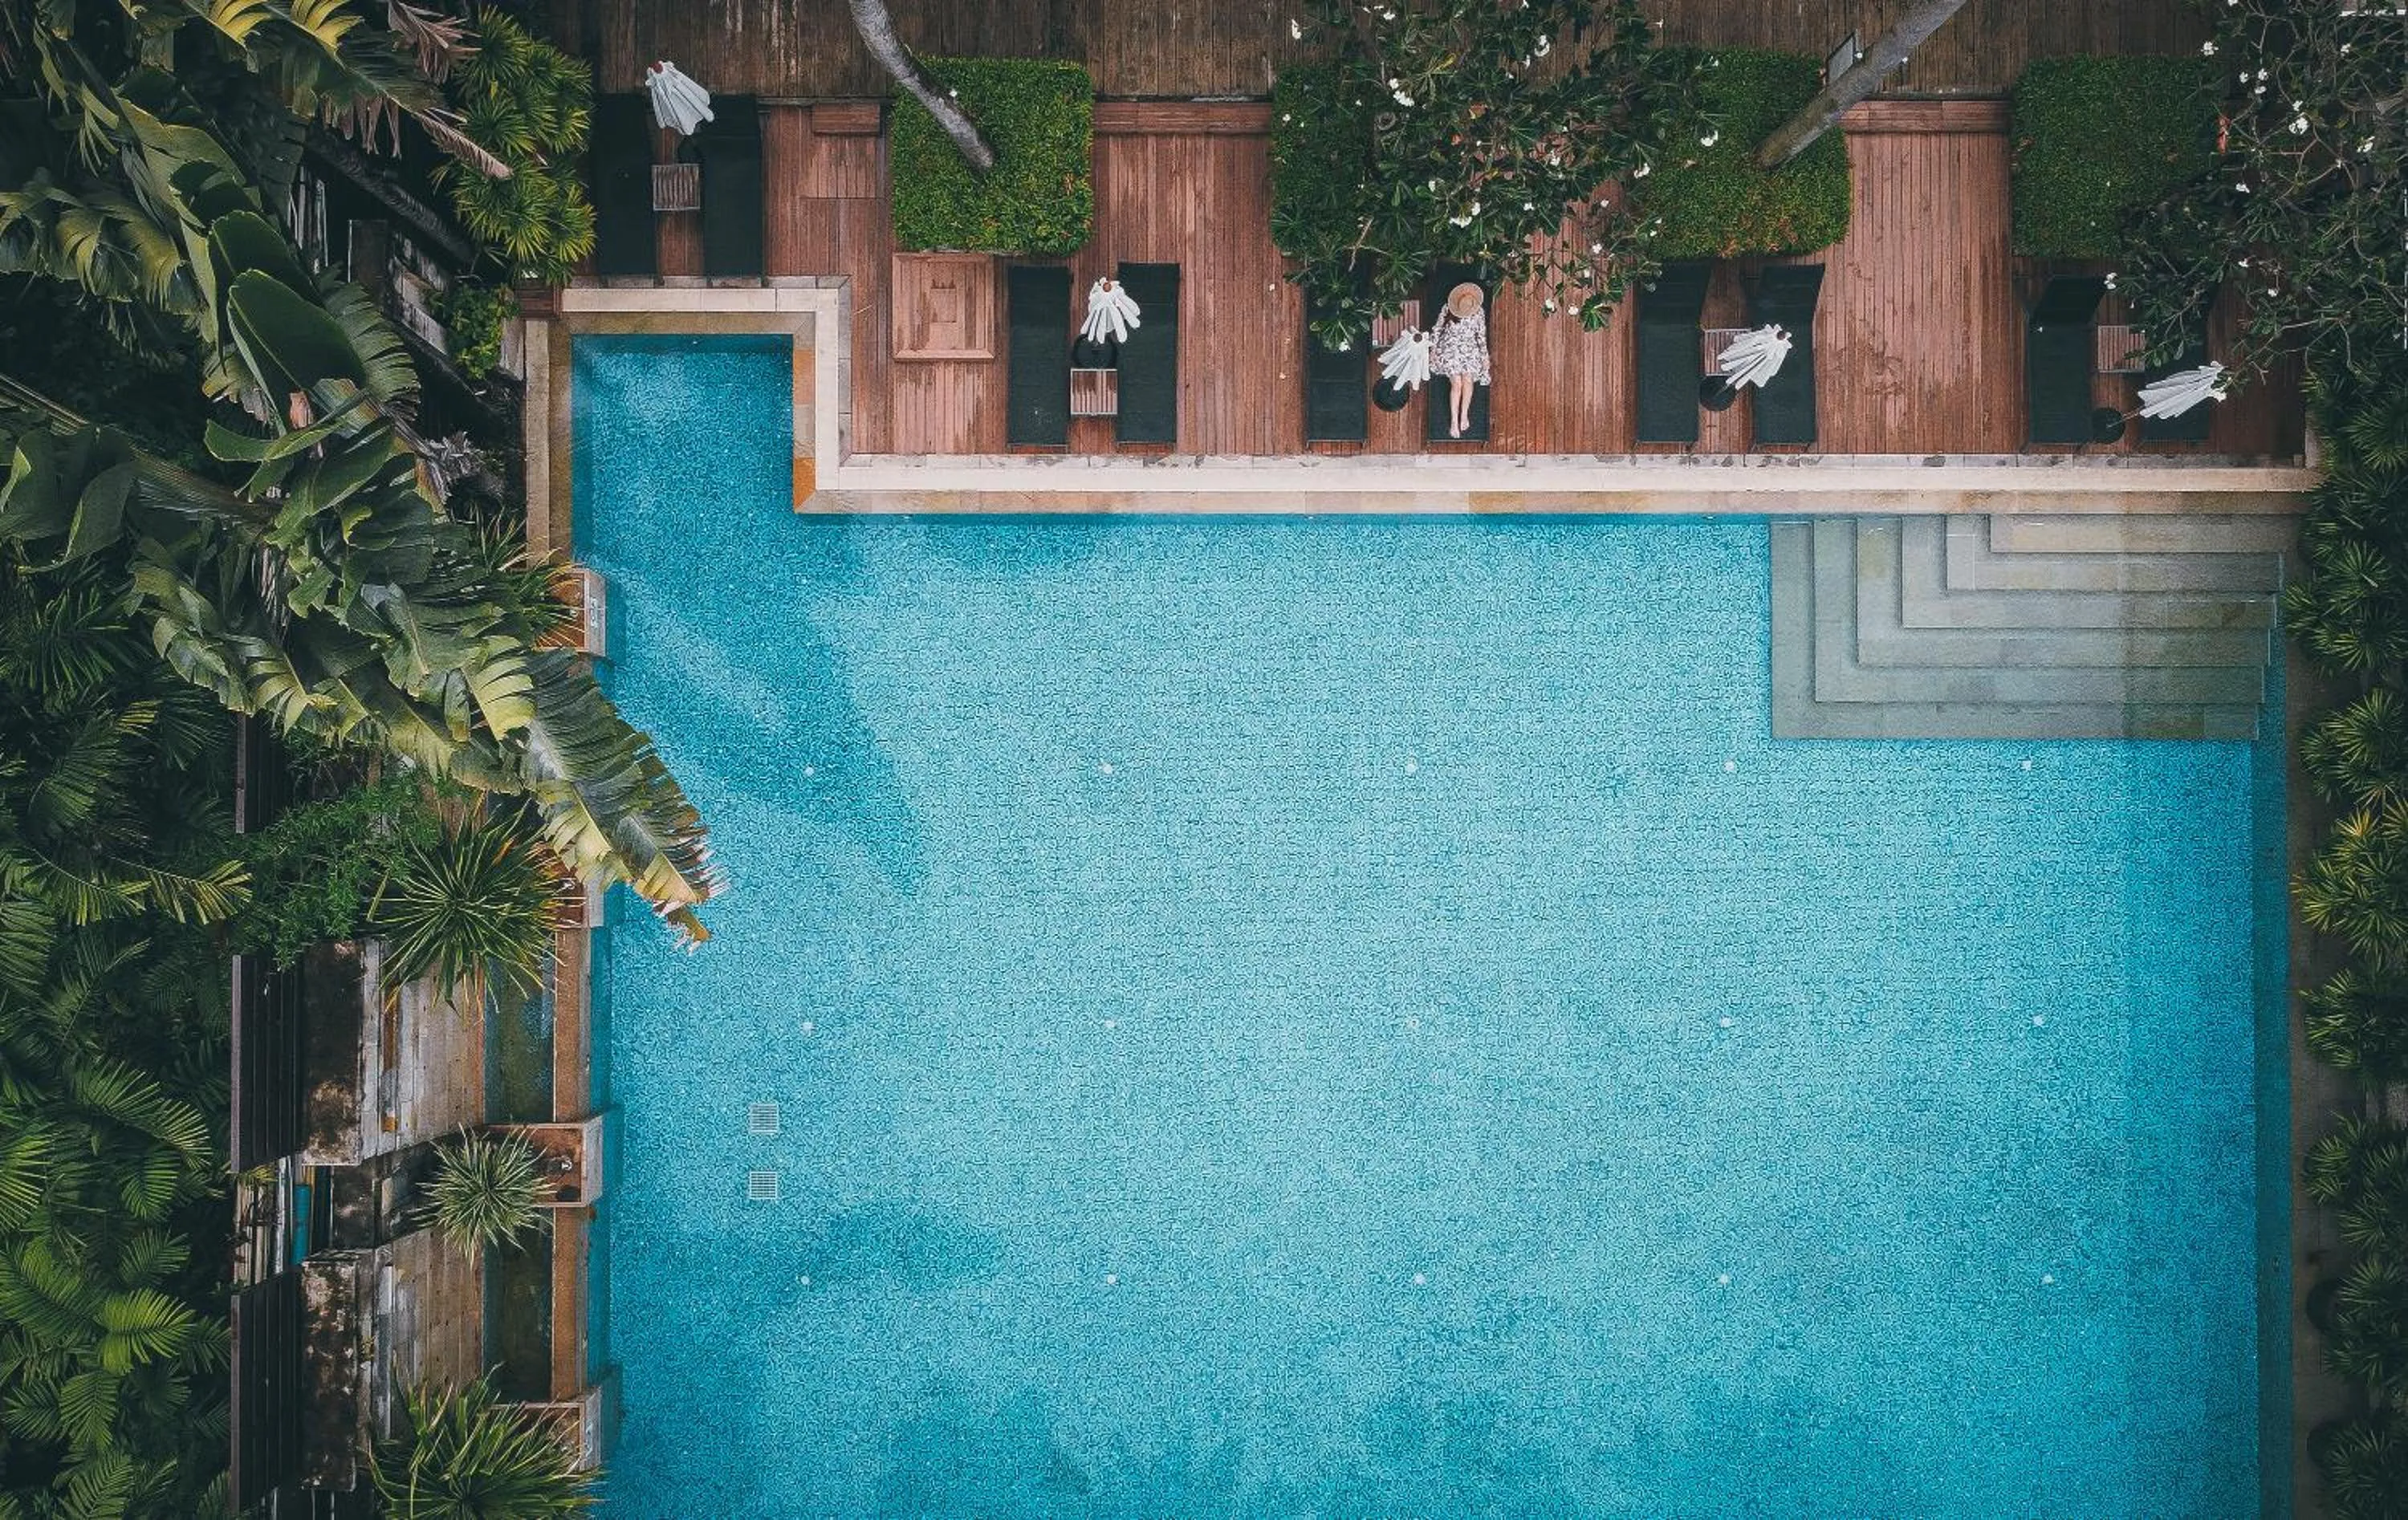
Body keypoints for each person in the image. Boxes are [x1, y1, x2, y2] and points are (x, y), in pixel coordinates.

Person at [1428, 282, 1491, 438]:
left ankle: (1464, 415)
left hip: (1470, 349)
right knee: (1457, 384)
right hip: (1450, 348)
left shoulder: (1479, 311)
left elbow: (1481, 335)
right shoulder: (1447, 308)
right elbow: (1437, 329)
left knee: (1468, 380)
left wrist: (1485, 356)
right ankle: (1454, 422)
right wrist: (1433, 350)